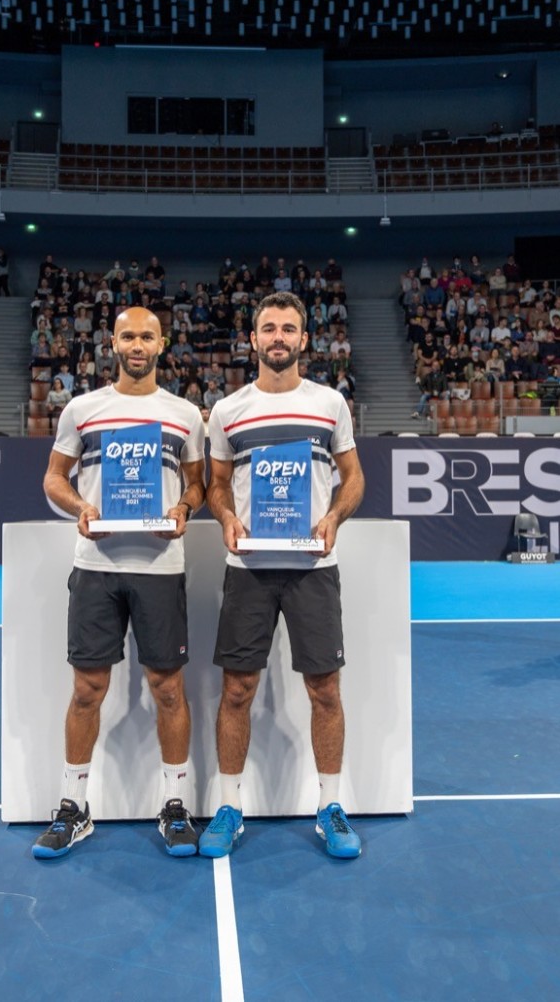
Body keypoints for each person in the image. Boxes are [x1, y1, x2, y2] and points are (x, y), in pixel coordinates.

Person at [32, 307, 206, 861]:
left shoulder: (185, 415)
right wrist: (81, 506)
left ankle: (174, 806)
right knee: (87, 690)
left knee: (168, 689)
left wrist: (183, 506)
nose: (137, 344)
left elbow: (199, 486)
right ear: (113, 343)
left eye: (147, 336)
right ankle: (73, 807)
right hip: (97, 566)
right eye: (128, 335)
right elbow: (54, 478)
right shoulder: (83, 410)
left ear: (163, 343)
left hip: (161, 567)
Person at [198, 291, 365, 861]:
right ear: (252, 339)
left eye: (287, 329)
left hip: (313, 569)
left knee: (325, 690)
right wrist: (223, 514)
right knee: (238, 689)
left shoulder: (329, 404)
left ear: (303, 340)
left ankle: (330, 806)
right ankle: (229, 806)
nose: (277, 337)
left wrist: (334, 516)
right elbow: (216, 484)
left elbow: (353, 478)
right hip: (248, 568)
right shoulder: (227, 410)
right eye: (268, 328)